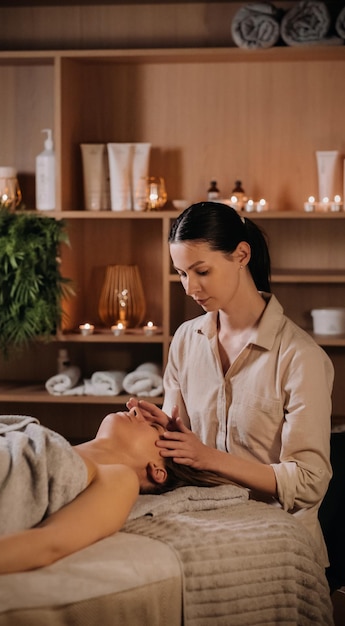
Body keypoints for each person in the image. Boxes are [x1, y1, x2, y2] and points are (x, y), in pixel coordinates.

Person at [129, 201, 334, 567]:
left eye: (201, 271)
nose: (190, 288)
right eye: (181, 273)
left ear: (241, 255)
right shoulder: (186, 340)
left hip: (280, 541)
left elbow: (308, 482)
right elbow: (183, 450)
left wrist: (209, 458)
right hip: (205, 528)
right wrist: (162, 431)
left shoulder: (300, 357)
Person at [0, 406, 225, 590]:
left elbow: (50, 542)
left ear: (158, 470)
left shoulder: (118, 478)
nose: (137, 410)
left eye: (152, 426)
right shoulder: (56, 445)